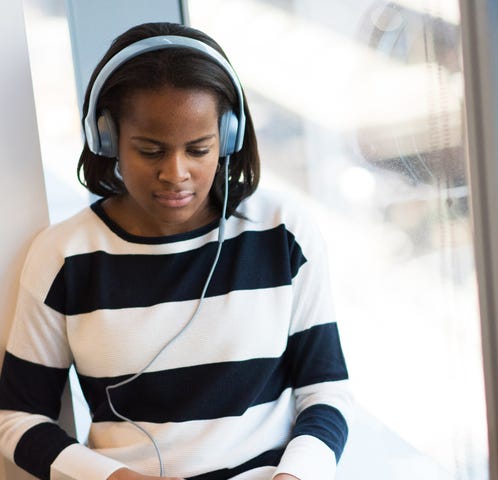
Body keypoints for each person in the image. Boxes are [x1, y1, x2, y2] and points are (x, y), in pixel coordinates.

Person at [0, 22, 351, 480]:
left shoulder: (282, 231)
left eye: (199, 149)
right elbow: (17, 419)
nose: (176, 173)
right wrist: (113, 478)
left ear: (228, 138)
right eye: (150, 151)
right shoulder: (64, 256)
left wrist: (297, 475)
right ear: (107, 138)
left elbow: (325, 392)